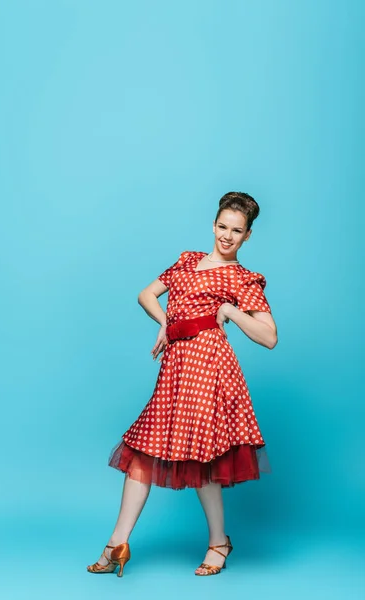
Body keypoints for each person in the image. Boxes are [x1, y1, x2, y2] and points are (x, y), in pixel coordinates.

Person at [87, 191, 278, 577]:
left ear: (247, 236)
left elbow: (269, 336)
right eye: (222, 226)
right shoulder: (187, 261)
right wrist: (164, 324)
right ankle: (117, 543)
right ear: (213, 224)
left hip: (210, 368)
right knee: (143, 451)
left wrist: (230, 311)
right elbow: (146, 295)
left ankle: (218, 542)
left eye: (236, 231)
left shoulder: (242, 279)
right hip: (175, 370)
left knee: (203, 456)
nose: (227, 236)